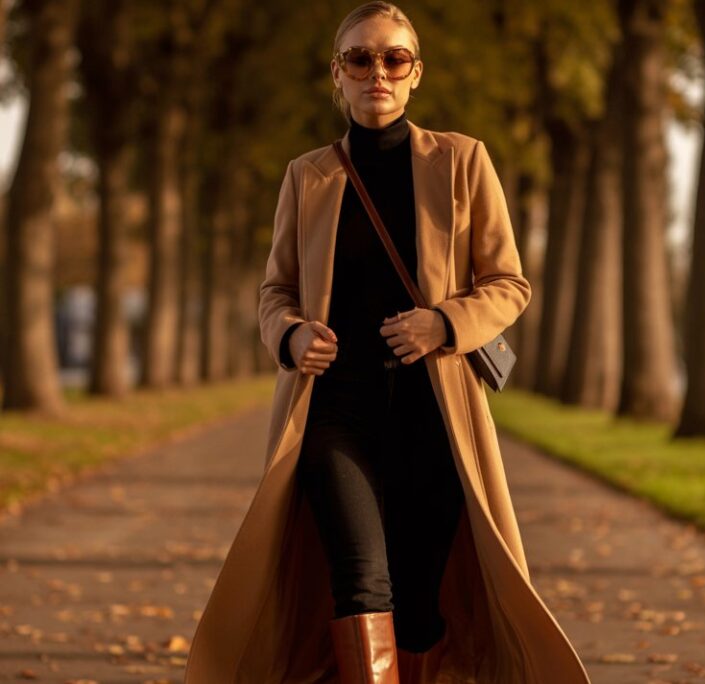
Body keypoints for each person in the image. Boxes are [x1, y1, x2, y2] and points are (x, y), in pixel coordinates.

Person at [183, 2, 592, 682]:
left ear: (415, 74)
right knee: (361, 580)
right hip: (334, 411)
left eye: (393, 58)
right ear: (337, 75)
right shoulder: (306, 176)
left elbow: (508, 283)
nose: (378, 71)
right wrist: (288, 334)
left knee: (424, 603)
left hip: (436, 421)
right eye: (360, 58)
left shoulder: (463, 161)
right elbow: (274, 291)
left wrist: (446, 322)